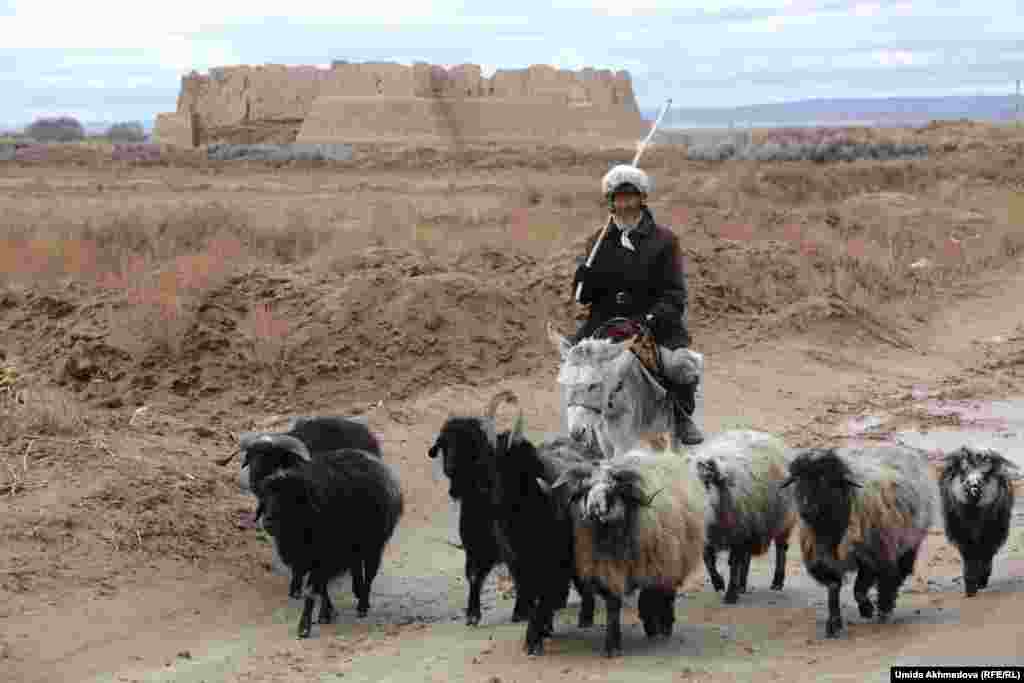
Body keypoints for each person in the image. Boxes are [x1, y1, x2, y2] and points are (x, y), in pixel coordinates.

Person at [570, 163, 703, 445]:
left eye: (631, 197)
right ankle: (581, 423)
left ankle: (681, 417)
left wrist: (650, 320)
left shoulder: (665, 241)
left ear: (642, 199)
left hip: (652, 325)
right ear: (610, 203)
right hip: (606, 326)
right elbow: (585, 298)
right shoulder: (597, 241)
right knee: (574, 362)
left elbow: (675, 295)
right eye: (618, 198)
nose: (625, 204)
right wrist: (583, 280)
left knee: (680, 366)